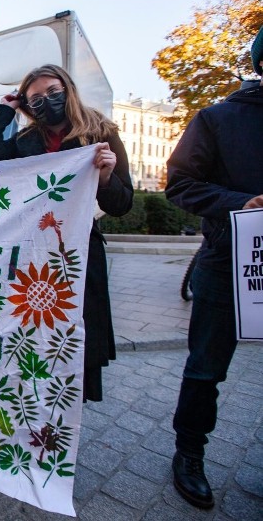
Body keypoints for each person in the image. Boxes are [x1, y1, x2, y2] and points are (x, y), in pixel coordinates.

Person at [0, 64, 133, 402]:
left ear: (68, 89)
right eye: (35, 99)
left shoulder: (101, 133)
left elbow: (123, 203)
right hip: (35, 251)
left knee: (76, 330)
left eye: (52, 92)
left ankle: (70, 408)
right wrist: (5, 110)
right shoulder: (26, 140)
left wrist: (105, 178)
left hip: (79, 252)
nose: (46, 101)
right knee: (36, 330)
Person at [164, 26, 263, 510]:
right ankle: (189, 454)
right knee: (206, 368)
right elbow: (180, 184)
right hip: (229, 264)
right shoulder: (219, 120)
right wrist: (242, 203)